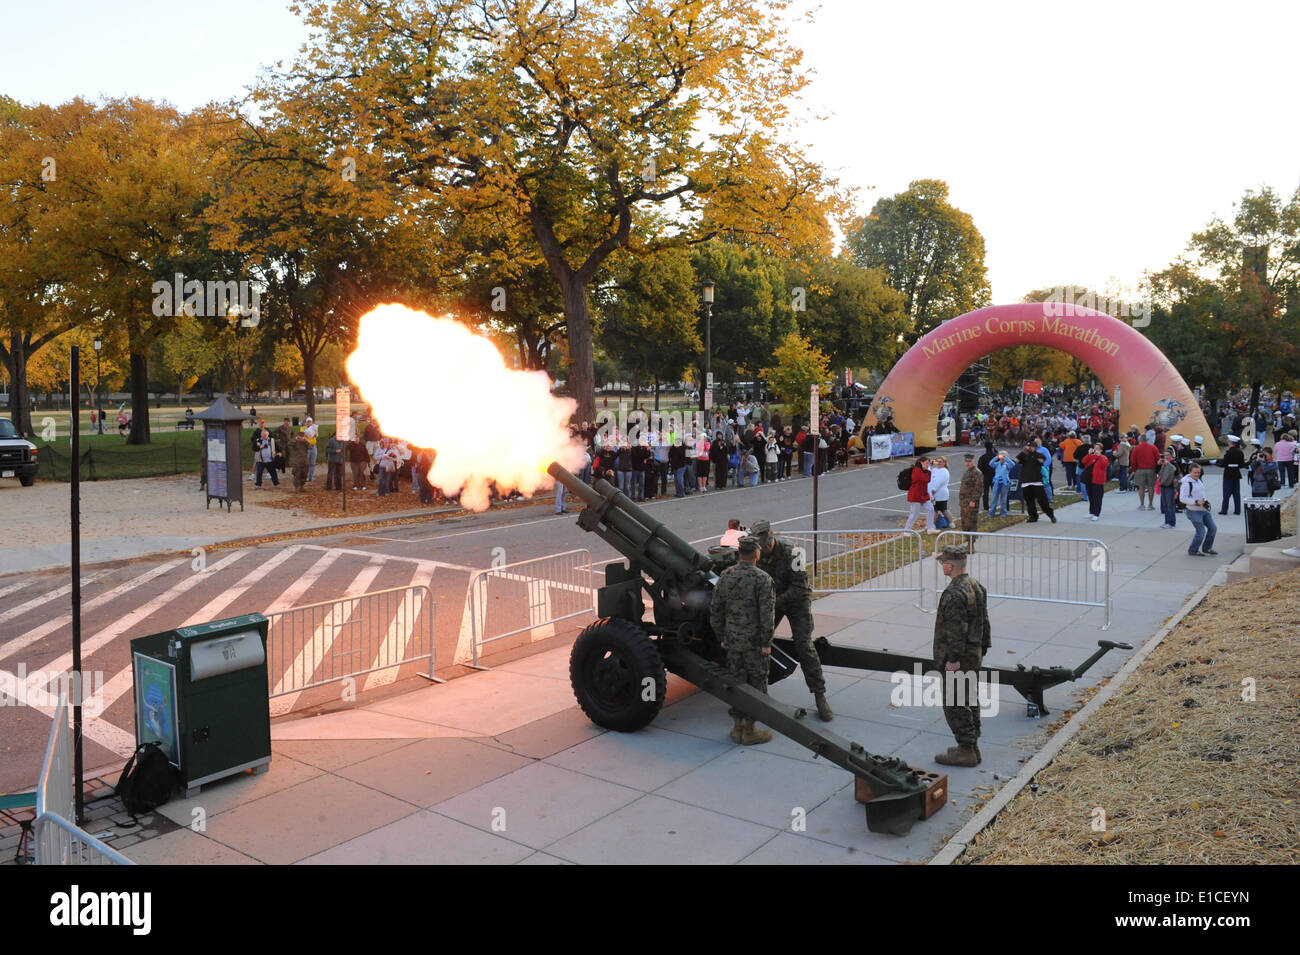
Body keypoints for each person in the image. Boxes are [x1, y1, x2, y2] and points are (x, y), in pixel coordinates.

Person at [750, 520, 832, 721]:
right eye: (762, 546)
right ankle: (759, 693)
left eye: (768, 544)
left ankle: (819, 694)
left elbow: (799, 588)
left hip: (797, 602)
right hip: (773, 602)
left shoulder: (793, 552)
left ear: (772, 534)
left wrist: (773, 603)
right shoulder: (757, 553)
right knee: (758, 642)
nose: (766, 548)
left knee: (804, 645)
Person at [709, 536, 776, 745]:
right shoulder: (762, 579)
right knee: (756, 687)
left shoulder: (725, 576)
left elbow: (716, 611)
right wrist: (766, 644)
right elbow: (767, 615)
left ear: (739, 554)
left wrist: (722, 637)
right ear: (756, 553)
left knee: (736, 684)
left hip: (732, 643)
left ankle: (737, 728)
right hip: (754, 645)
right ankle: (749, 731)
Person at [932, 544, 991, 767]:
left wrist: (953, 659)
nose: (941, 566)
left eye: (942, 562)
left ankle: (965, 749)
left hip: (959, 659)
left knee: (955, 702)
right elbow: (984, 622)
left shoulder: (954, 594)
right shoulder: (975, 586)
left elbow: (955, 631)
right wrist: (983, 647)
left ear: (949, 565)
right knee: (969, 699)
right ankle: (972, 745)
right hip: (974, 655)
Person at [1180, 464, 1217, 557]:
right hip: (1193, 511)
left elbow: (1200, 493)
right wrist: (1196, 502)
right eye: (1195, 472)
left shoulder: (1198, 480)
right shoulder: (1186, 483)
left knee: (1213, 528)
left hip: (1203, 509)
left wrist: (1204, 501)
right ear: (1190, 472)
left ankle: (1207, 548)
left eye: (1198, 472)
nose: (1197, 474)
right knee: (1201, 532)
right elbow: (1182, 498)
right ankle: (1193, 550)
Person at [1016, 444, 1056, 523]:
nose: (1029, 448)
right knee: (1029, 502)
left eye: (1032, 447)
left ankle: (1050, 515)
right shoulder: (1024, 456)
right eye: (1029, 446)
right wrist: (1023, 452)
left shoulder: (1039, 456)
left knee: (1042, 501)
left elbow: (1042, 460)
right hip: (1026, 482)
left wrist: (1033, 453)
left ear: (1035, 448)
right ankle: (1033, 516)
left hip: (1037, 482)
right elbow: (1016, 461)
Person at [906, 456, 937, 534]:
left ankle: (930, 528)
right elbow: (925, 479)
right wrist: (929, 470)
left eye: (928, 463)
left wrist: (930, 467)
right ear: (921, 462)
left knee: (930, 509)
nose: (928, 465)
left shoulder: (924, 470)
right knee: (914, 514)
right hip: (915, 495)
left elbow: (928, 479)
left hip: (923, 495)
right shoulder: (916, 470)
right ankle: (906, 531)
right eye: (926, 463)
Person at [1129, 433, 1159, 511]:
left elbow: (1132, 460)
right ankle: (1150, 505)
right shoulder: (1153, 447)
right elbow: (1157, 459)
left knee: (1141, 487)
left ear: (1140, 440)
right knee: (1151, 487)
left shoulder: (1136, 448)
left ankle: (1142, 505)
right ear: (1147, 439)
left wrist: (1134, 469)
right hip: (1151, 470)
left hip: (1140, 470)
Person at [959, 453, 983, 548]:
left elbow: (978, 488)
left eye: (969, 461)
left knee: (971, 523)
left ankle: (971, 544)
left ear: (973, 461)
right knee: (965, 523)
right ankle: (968, 542)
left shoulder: (977, 473)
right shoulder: (968, 472)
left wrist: (973, 500)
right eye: (966, 461)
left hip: (970, 503)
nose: (967, 463)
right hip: (964, 503)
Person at [1079, 443, 1108, 521]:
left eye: (1098, 449)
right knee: (1091, 496)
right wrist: (1088, 454)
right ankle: (1091, 511)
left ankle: (1096, 513)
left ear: (1101, 450)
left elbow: (1104, 465)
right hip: (1089, 480)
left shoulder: (1103, 457)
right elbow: (1083, 462)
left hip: (1098, 480)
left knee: (1097, 497)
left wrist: (1099, 456)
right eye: (1095, 448)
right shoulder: (1091, 456)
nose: (1096, 450)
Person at [1217, 434, 1245, 515]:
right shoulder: (1240, 452)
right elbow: (1241, 464)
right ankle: (1237, 510)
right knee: (1236, 492)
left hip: (1228, 473)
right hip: (1236, 473)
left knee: (1226, 492)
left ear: (1231, 442)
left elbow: (1224, 463)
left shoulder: (1228, 453)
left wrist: (1216, 463)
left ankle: (1224, 510)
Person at [1157, 448, 1180, 528]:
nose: (1166, 457)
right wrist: (1158, 464)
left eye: (1167, 455)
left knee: (1170, 505)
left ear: (1171, 455)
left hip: (1170, 487)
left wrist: (1168, 464)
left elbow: (1175, 470)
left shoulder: (1173, 463)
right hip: (1163, 485)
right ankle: (1167, 522)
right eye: (1164, 455)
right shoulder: (1164, 463)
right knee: (1165, 505)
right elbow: (1158, 473)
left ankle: (1172, 523)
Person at [929, 456, 951, 528]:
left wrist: (933, 489)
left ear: (944, 463)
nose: (938, 463)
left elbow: (939, 482)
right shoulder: (935, 469)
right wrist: (931, 465)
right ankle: (951, 523)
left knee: (936, 510)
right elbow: (928, 473)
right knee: (942, 510)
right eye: (937, 461)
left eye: (940, 462)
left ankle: (932, 525)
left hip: (941, 494)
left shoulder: (944, 471)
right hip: (934, 494)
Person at [989, 450, 1012, 517]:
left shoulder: (1007, 465)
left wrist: (1006, 458)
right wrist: (996, 457)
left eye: (1003, 457)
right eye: (1001, 456)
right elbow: (990, 464)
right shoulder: (997, 464)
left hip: (1005, 483)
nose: (1002, 458)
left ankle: (1003, 513)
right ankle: (992, 512)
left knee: (1003, 499)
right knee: (994, 498)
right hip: (996, 482)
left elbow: (1013, 465)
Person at [977, 441, 996, 513]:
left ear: (985, 447)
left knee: (985, 492)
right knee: (995, 492)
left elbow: (979, 468)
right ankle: (994, 506)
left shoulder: (983, 457)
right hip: (994, 476)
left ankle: (986, 507)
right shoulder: (995, 456)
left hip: (985, 476)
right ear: (992, 447)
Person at [303, 416, 319, 482]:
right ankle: (305, 476)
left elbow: (316, 435)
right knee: (306, 463)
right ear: (306, 422)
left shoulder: (314, 428)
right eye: (308, 422)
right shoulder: (303, 428)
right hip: (307, 447)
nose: (309, 423)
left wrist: (314, 431)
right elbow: (303, 435)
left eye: (310, 422)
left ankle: (311, 476)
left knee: (312, 463)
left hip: (313, 446)